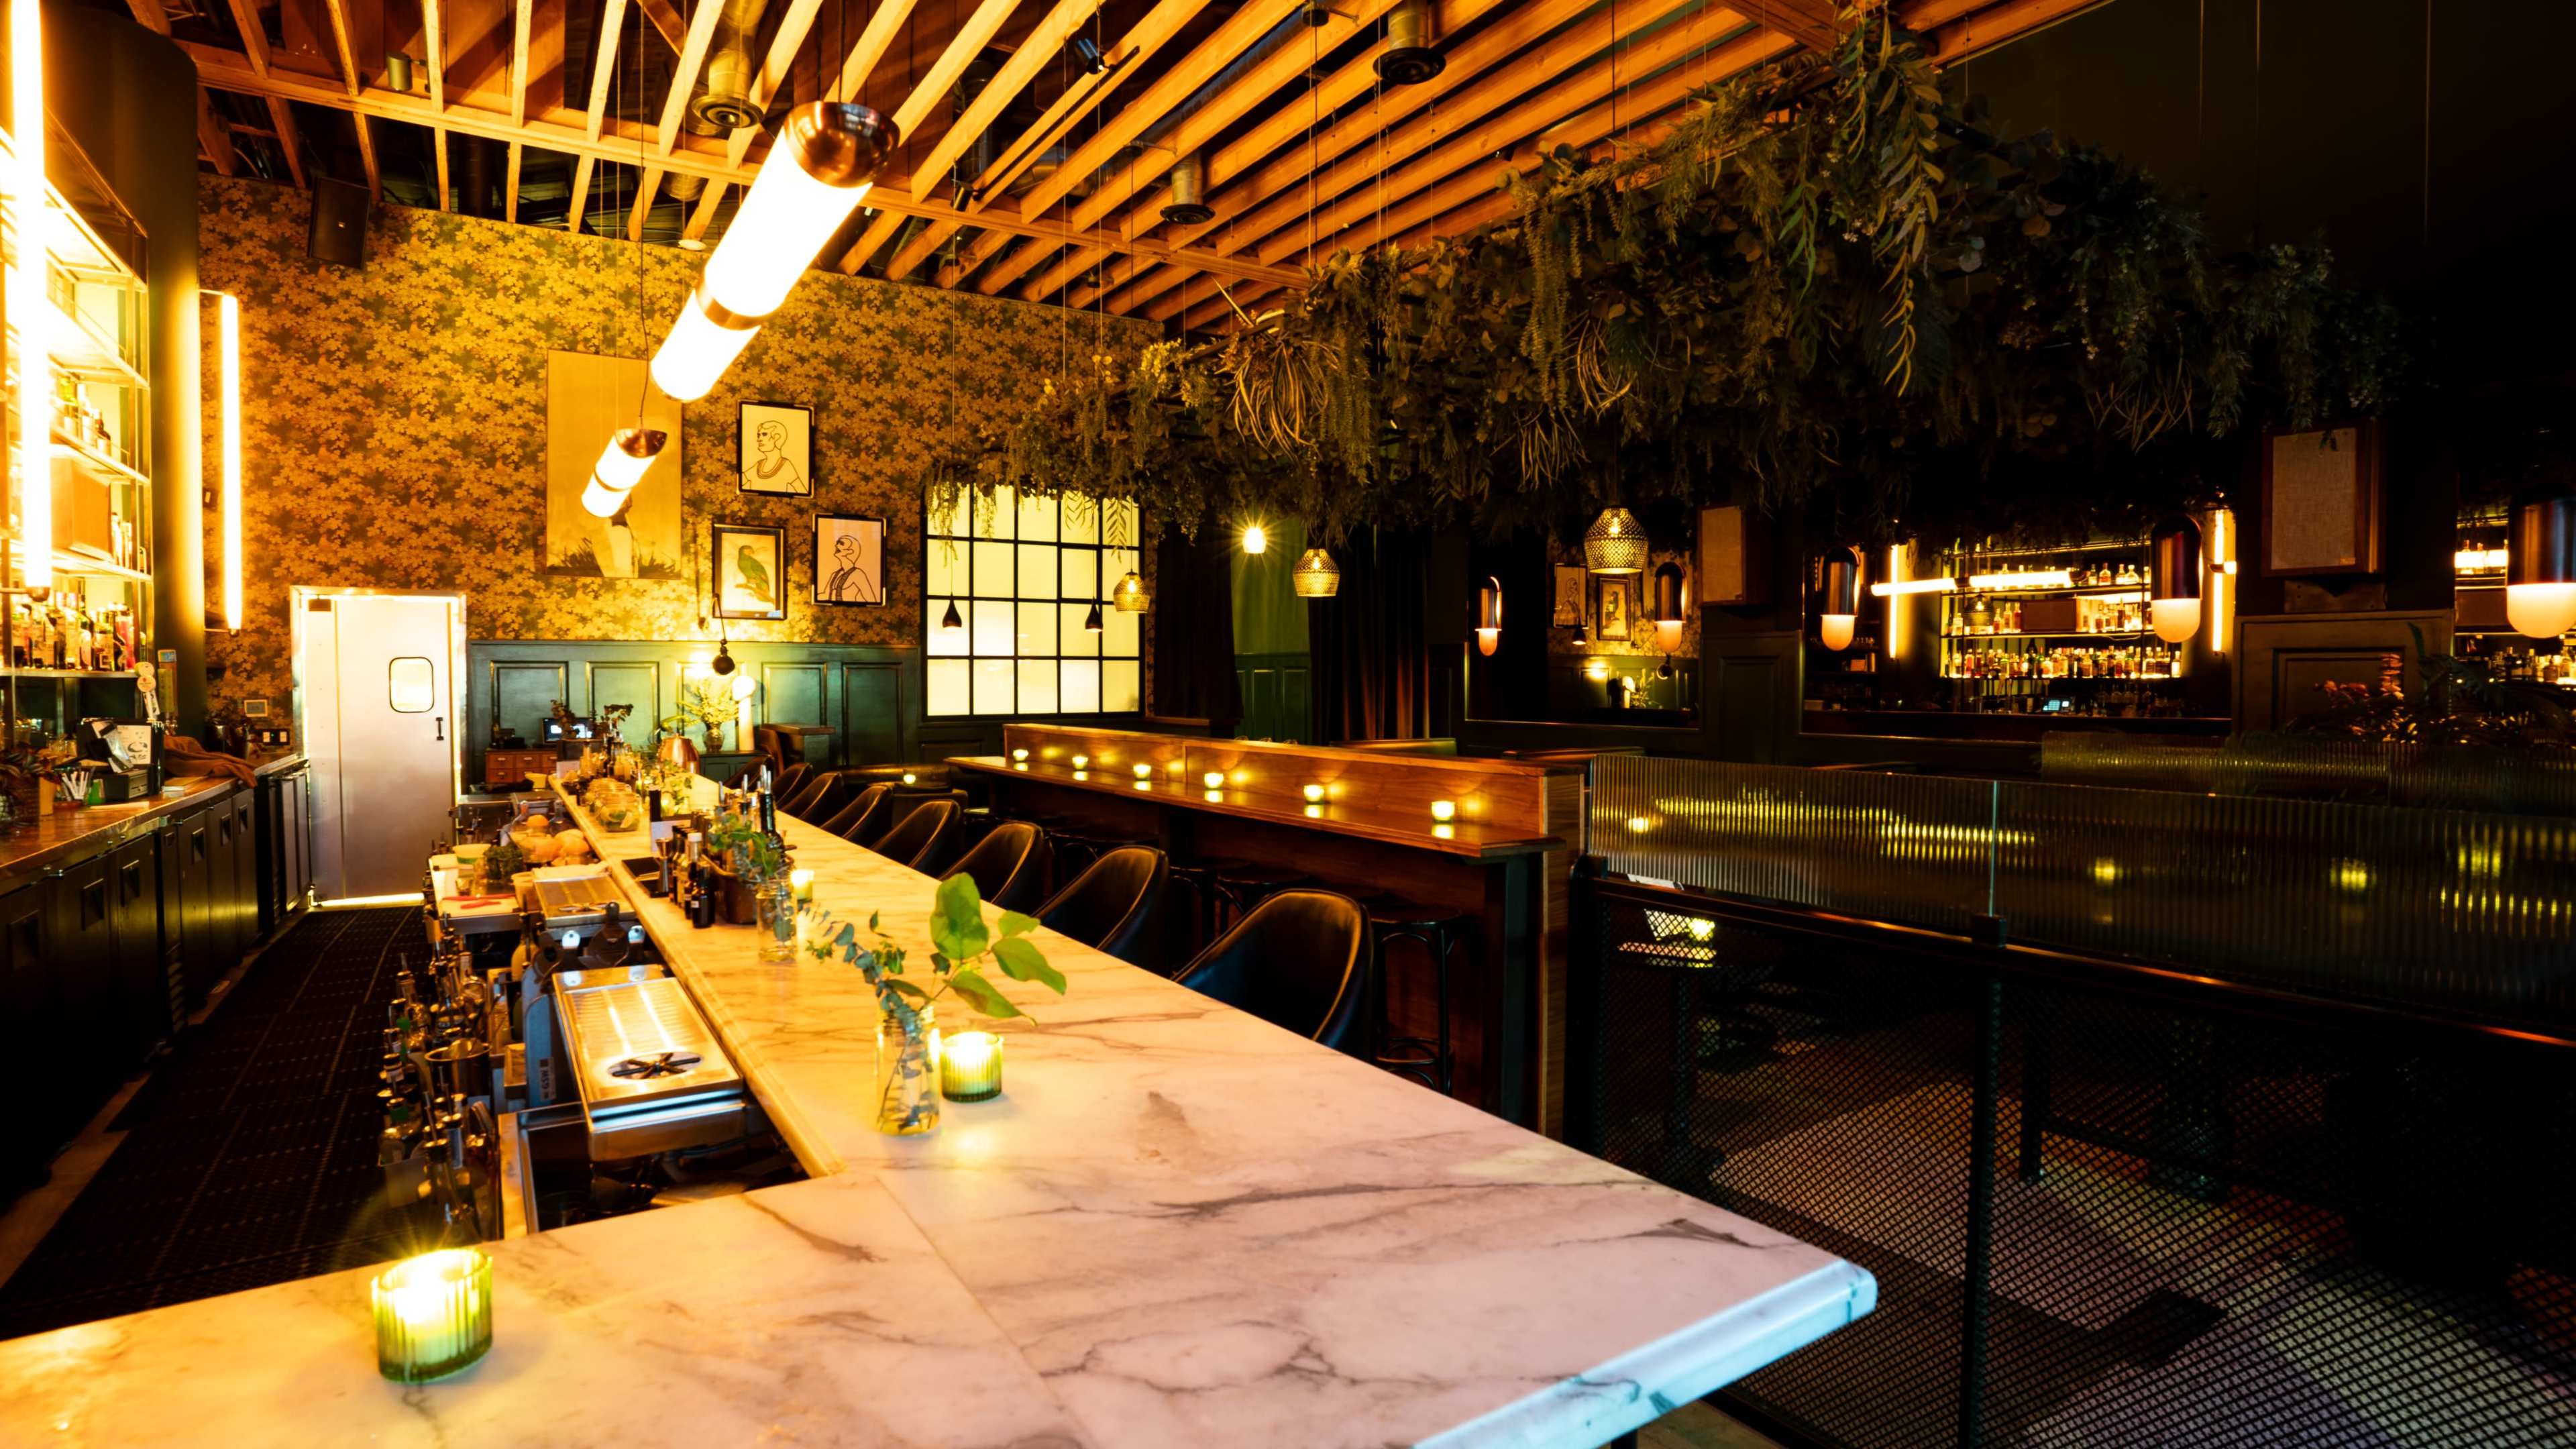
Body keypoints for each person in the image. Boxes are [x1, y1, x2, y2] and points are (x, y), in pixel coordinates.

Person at [749, 418, 804, 493]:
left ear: (777, 437)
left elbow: (802, 491)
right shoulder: (759, 465)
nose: (759, 439)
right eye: (759, 435)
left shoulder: (785, 465)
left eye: (764, 434)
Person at [824, 529, 875, 602]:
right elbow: (826, 595)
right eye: (837, 543)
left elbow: (871, 599)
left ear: (850, 551)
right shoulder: (835, 574)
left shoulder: (858, 574)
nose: (836, 546)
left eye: (841, 544)